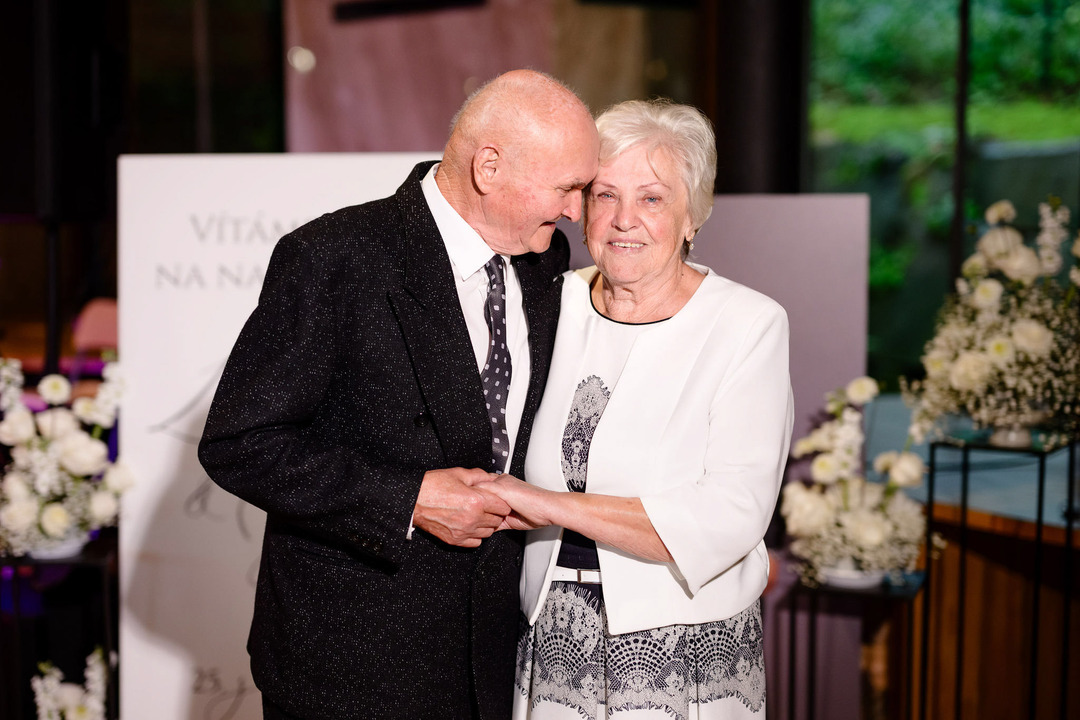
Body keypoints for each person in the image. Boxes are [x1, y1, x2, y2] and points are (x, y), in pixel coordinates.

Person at [197, 69, 599, 720]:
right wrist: (409, 499)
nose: (578, 212)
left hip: (494, 662)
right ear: (488, 166)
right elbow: (241, 443)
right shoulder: (336, 256)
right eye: (568, 188)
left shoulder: (543, 263)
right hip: (348, 671)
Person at [485, 99, 794, 719]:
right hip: (549, 634)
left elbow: (731, 514)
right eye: (604, 195)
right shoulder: (551, 301)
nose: (624, 220)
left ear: (692, 215)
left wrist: (541, 503)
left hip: (681, 648)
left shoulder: (747, 324)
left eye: (652, 198)